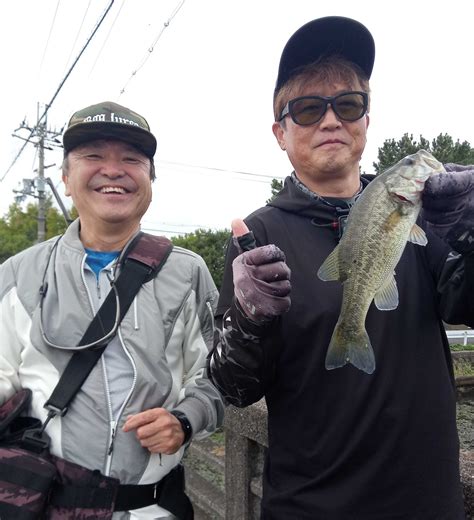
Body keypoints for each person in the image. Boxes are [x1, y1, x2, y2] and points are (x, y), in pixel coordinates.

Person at [209, 16, 474, 520]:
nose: (330, 120)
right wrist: (248, 321)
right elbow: (235, 388)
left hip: (428, 501)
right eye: (307, 109)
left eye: (348, 104)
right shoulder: (256, 237)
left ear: (366, 121)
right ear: (280, 133)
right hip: (309, 506)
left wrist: (472, 236)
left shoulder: (429, 213)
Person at [0, 101, 224, 519]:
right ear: (66, 178)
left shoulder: (188, 272)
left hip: (155, 508)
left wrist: (186, 419)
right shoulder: (17, 275)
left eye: (132, 159)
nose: (113, 170)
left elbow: (215, 376)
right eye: (93, 156)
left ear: (150, 180)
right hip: (45, 505)